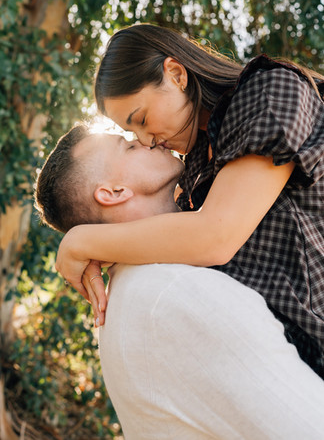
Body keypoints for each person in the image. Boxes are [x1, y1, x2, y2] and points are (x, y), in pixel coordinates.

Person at [55, 24, 324, 378]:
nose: (145, 140)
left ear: (176, 74)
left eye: (141, 120)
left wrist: (80, 241)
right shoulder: (195, 168)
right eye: (130, 133)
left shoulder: (270, 93)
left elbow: (216, 236)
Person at [35, 124, 324, 439]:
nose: (147, 139)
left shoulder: (141, 291)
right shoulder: (175, 292)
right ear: (114, 192)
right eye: (129, 146)